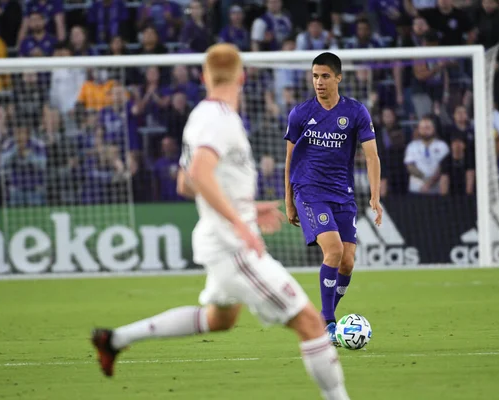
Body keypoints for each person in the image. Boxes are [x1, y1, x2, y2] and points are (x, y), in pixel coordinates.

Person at [91, 44, 350, 400]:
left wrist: (247, 207)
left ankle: (115, 339)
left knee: (219, 319)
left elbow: (185, 183)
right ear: (242, 76)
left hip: (221, 237)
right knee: (310, 323)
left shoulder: (202, 116)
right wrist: (240, 223)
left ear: (204, 77)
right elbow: (198, 173)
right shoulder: (219, 120)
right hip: (233, 246)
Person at [283, 52, 382, 345]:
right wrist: (288, 200)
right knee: (334, 251)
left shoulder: (355, 112)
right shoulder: (300, 114)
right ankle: (326, 324)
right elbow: (289, 160)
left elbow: (372, 155)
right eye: (315, 76)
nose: (319, 82)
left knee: (348, 262)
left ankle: (327, 317)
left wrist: (375, 196)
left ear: (338, 77)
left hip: (342, 193)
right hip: (309, 191)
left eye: (325, 76)